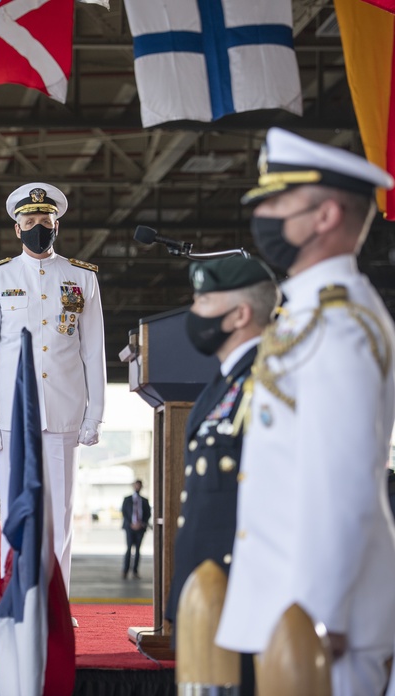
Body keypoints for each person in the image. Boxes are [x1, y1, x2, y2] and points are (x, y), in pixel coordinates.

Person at [215, 128, 395, 696]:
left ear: (325, 216)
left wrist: (323, 613)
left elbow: (344, 485)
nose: (263, 215)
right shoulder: (306, 314)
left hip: (320, 616)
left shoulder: (339, 327)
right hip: (291, 607)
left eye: (278, 203)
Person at [0, 182, 106, 592]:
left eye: (44, 222)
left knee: (59, 511)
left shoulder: (80, 278)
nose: (37, 228)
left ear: (56, 225)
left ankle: (56, 596)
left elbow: (93, 351)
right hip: (11, 416)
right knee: (13, 509)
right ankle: (11, 591)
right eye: (29, 222)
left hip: (64, 411)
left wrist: (95, 413)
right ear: (17, 228)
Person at [165, 257, 277, 633]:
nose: (194, 313)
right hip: (207, 595)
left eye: (204, 302)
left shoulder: (272, 383)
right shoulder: (226, 383)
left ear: (239, 315)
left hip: (244, 597)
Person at [120, 480, 151, 580]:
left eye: (139, 485)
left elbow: (148, 514)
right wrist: (131, 524)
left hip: (140, 528)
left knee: (138, 550)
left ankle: (135, 571)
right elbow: (124, 512)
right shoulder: (127, 499)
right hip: (129, 528)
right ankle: (125, 570)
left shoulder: (145, 501)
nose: (137, 487)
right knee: (129, 549)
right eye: (136, 485)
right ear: (133, 486)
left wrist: (141, 524)